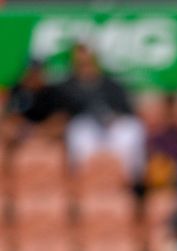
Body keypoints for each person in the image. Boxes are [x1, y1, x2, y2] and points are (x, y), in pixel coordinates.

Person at [54, 43, 146, 183]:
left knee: (133, 128)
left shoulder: (111, 84)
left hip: (112, 128)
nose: (85, 65)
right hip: (87, 129)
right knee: (77, 129)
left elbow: (128, 111)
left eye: (88, 61)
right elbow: (61, 115)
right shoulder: (66, 87)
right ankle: (81, 181)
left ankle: (133, 183)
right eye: (81, 62)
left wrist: (114, 118)